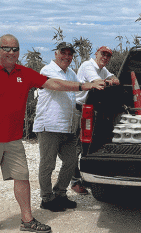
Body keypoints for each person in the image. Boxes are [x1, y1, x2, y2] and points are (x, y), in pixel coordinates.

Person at [0, 34, 95, 233]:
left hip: (13, 139)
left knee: (23, 178)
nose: (11, 52)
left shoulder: (24, 73)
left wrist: (83, 86)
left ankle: (27, 220)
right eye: (6, 48)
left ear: (19, 52)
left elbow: (54, 84)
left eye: (15, 49)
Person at [32, 42, 105, 212]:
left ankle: (60, 194)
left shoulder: (71, 73)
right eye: (63, 53)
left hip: (68, 126)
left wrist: (104, 82)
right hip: (49, 125)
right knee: (48, 164)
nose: (66, 57)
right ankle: (46, 198)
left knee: (71, 161)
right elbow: (58, 85)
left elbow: (82, 88)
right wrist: (84, 85)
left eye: (70, 54)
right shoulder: (47, 70)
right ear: (56, 54)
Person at [70, 46, 120, 194]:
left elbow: (113, 78)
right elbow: (97, 83)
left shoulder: (102, 69)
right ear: (96, 54)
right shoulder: (88, 66)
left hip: (91, 110)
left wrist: (112, 79)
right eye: (103, 54)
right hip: (79, 109)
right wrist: (108, 82)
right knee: (77, 147)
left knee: (89, 144)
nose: (105, 58)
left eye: (108, 56)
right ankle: (74, 181)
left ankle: (85, 177)